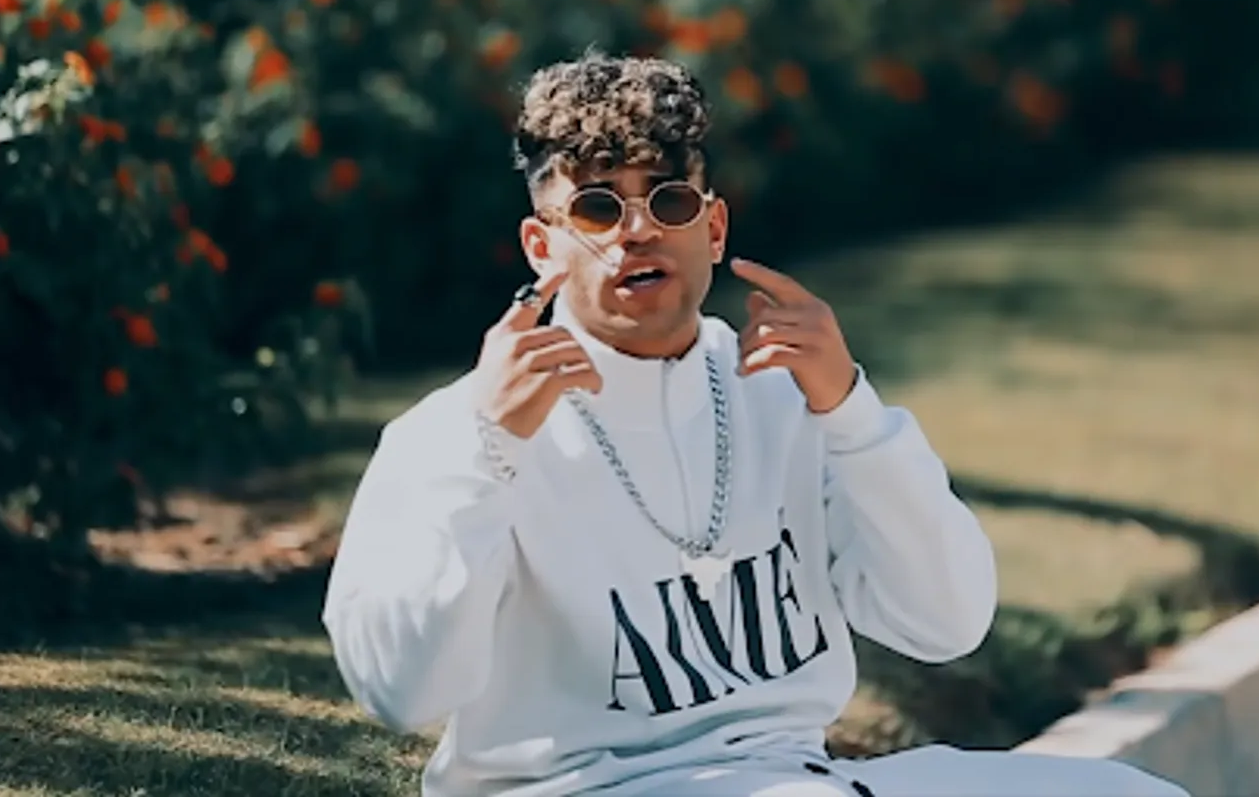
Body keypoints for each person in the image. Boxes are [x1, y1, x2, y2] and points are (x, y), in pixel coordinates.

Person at [321, 49, 1189, 797]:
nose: (635, 232)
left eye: (667, 202)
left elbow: (948, 622)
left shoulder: (786, 396)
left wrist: (852, 413)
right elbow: (401, 690)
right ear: (541, 245)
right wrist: (491, 451)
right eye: (597, 208)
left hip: (793, 777)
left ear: (713, 226)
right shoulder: (452, 435)